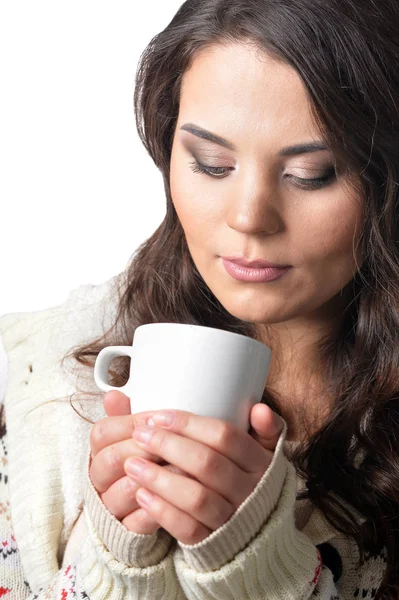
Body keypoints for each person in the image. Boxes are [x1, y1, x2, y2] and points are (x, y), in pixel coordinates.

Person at [0, 0, 398, 597]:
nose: (249, 217)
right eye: (212, 164)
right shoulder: (40, 380)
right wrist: (117, 558)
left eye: (311, 173)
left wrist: (257, 567)